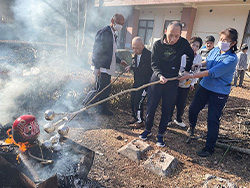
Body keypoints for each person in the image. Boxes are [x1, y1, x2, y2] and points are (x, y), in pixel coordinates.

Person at [179, 28, 238, 157]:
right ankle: (192, 126)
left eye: (226, 40)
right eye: (221, 39)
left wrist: (190, 76)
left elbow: (211, 72)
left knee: (212, 119)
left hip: (219, 91)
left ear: (233, 43)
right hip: (205, 86)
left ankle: (209, 148)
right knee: (193, 109)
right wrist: (199, 64)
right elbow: (209, 62)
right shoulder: (216, 50)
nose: (222, 42)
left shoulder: (232, 59)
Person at [139, 21, 194, 147]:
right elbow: (154, 64)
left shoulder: (183, 43)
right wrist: (159, 75)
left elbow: (190, 55)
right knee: (151, 107)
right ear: (165, 32)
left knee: (167, 108)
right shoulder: (158, 44)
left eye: (176, 36)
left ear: (180, 34)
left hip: (172, 80)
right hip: (157, 79)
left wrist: (186, 70)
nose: (173, 39)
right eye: (170, 35)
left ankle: (160, 134)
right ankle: (147, 130)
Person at [92, 13, 128, 116]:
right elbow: (97, 50)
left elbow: (111, 53)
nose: (120, 26)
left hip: (107, 68)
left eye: (122, 24)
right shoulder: (104, 32)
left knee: (106, 90)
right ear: (112, 21)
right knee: (99, 90)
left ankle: (102, 109)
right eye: (119, 23)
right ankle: (84, 106)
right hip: (102, 67)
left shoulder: (113, 34)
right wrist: (97, 67)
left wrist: (119, 60)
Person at [169, 37, 203, 128]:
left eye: (197, 46)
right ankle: (168, 119)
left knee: (182, 102)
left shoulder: (199, 58)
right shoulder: (182, 55)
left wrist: (193, 83)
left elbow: (197, 72)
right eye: (193, 45)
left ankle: (178, 119)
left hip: (187, 83)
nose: (194, 47)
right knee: (172, 101)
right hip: (177, 81)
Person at [125, 37, 153, 128]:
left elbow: (143, 71)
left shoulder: (148, 55)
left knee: (138, 101)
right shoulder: (136, 54)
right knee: (132, 99)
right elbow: (136, 61)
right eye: (133, 48)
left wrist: (132, 68)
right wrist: (132, 64)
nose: (135, 50)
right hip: (137, 81)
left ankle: (140, 121)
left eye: (137, 48)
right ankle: (134, 117)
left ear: (143, 46)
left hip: (145, 83)